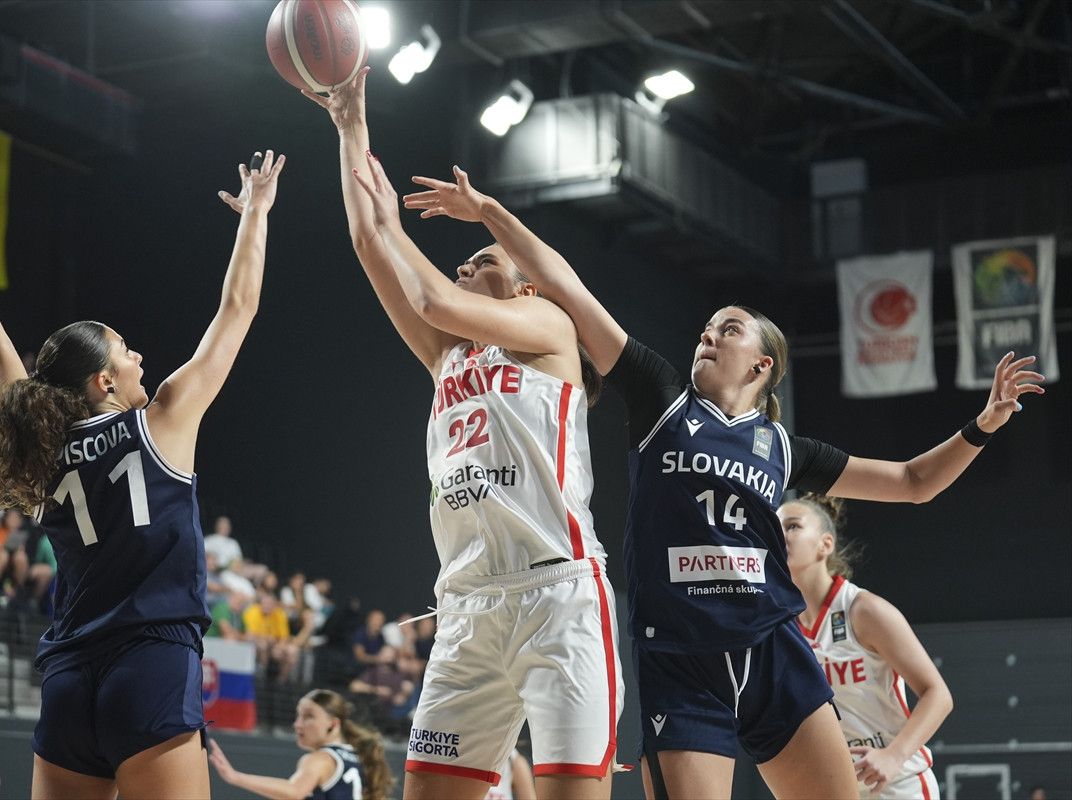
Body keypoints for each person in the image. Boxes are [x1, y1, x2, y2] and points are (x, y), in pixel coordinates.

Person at [398, 166, 1044, 799]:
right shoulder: (660, 399)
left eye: (727, 330)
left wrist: (982, 426)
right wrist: (491, 212)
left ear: (761, 364)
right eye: (705, 330)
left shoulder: (783, 448)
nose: (708, 336)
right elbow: (565, 287)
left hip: (770, 645)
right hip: (681, 660)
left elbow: (913, 481)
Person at [0, 153, 285, 799]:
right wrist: (257, 216)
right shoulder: (162, 420)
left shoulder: (40, 448)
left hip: (70, 679)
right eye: (126, 351)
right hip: (151, 662)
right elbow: (238, 307)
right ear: (104, 381)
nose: (139, 357)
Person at [307, 68, 622, 800]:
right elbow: (368, 241)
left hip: (557, 596)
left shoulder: (550, 328)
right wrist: (351, 127)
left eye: (482, 258)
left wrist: (396, 225)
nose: (464, 263)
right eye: (465, 260)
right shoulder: (448, 355)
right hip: (467, 604)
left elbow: (430, 296)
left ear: (525, 286)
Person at [780, 494, 949, 799]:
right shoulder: (780, 624)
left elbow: (938, 695)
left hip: (898, 783)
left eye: (792, 526)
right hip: (836, 787)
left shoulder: (863, 610)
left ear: (825, 544)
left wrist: (893, 756)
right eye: (775, 528)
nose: (781, 535)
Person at [208, 688, 393, 800]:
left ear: (333, 724)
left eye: (308, 716)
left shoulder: (322, 759)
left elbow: (294, 792)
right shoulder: (355, 756)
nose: (298, 724)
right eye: (298, 715)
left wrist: (235, 777)